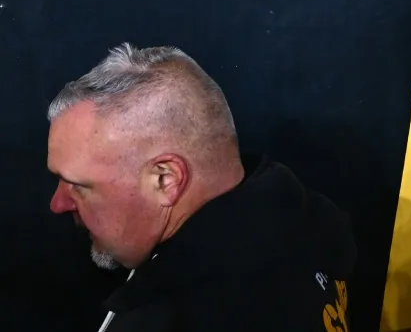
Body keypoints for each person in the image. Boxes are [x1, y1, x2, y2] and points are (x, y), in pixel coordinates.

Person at [45, 44, 356, 332]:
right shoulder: (307, 220)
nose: (57, 204)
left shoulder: (174, 318)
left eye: (77, 185)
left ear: (165, 180)